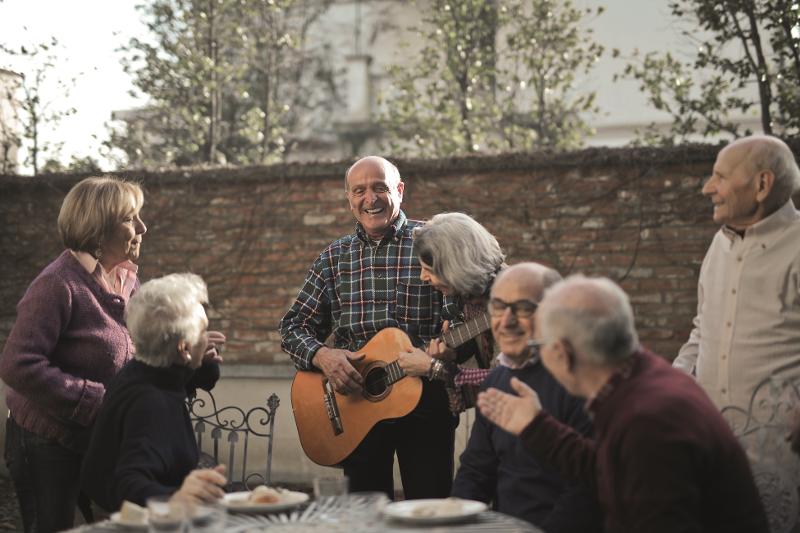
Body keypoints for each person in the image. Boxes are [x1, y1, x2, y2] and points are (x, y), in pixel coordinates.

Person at [478, 275, 769, 533]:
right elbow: (609, 471)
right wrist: (537, 427)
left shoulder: (647, 420)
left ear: (561, 354)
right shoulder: (644, 377)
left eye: (538, 346)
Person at [280, 156, 454, 499]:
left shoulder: (434, 244)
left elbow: (459, 317)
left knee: (431, 512)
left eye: (379, 187)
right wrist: (323, 356)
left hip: (426, 403)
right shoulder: (334, 257)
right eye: (359, 190)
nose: (369, 199)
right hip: (353, 406)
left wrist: (450, 345)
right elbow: (292, 327)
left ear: (399, 191)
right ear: (349, 198)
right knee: (364, 519)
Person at [0, 176, 148, 533]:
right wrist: (94, 400)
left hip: (97, 439)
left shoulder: (126, 282)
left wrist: (185, 354)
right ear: (98, 230)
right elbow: (18, 364)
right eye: (131, 218)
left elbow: (132, 352)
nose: (142, 227)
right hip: (46, 443)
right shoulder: (57, 284)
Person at [450, 263, 602, 532]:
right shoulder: (497, 381)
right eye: (498, 307)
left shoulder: (583, 382)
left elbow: (587, 492)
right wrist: (452, 522)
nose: (506, 320)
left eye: (522, 308)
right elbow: (475, 473)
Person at [673, 135, 800, 411]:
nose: (708, 188)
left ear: (762, 185)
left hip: (782, 447)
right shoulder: (719, 244)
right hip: (719, 441)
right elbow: (704, 328)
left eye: (720, 177)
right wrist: (673, 382)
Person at [81, 273, 226, 511]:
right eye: (203, 331)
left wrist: (198, 356)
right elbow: (128, 484)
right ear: (183, 348)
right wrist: (177, 496)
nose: (208, 338)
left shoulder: (144, 371)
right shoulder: (151, 403)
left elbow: (184, 377)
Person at [397, 212, 505, 414]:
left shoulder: (511, 299)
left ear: (456, 266)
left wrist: (433, 368)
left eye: (428, 269)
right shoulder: (473, 298)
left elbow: (507, 381)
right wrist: (451, 354)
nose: (422, 277)